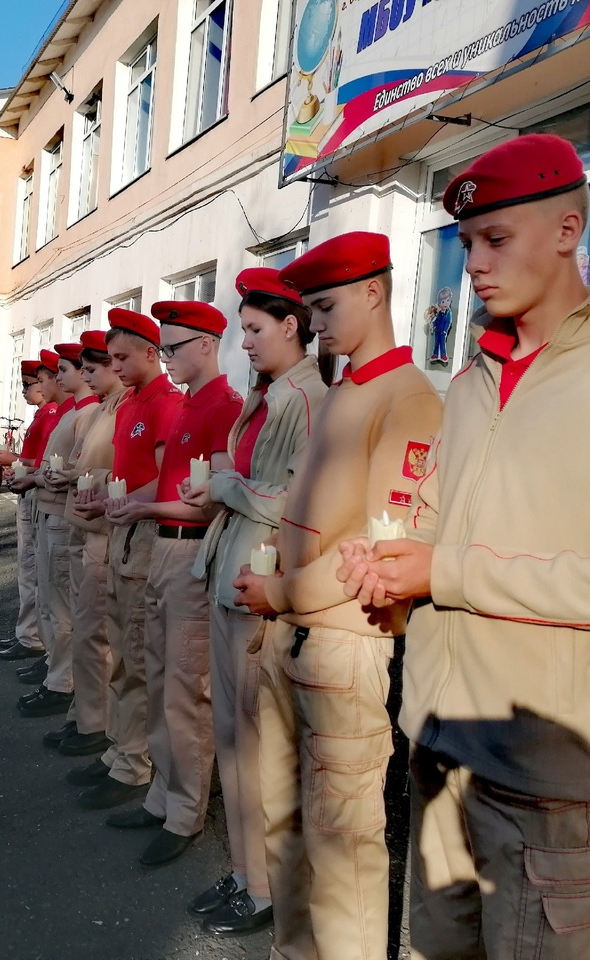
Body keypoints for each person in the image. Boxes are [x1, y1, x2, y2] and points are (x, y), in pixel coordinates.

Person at [334, 135, 590, 960]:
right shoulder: (469, 384)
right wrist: (396, 572)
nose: (471, 262)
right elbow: (433, 526)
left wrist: (452, 572)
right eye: (466, 242)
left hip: (544, 782)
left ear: (569, 230)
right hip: (438, 750)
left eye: (494, 239)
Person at [231, 232, 443, 960]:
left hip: (345, 641)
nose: (315, 323)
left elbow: (380, 554)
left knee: (344, 852)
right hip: (293, 632)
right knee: (284, 829)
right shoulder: (347, 389)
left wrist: (278, 590)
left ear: (374, 293)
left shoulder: (410, 399)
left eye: (325, 306)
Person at [180, 268, 329, 936]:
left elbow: (292, 502)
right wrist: (227, 487)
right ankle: (245, 874)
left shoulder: (307, 399)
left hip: (258, 583)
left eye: (255, 330)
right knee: (235, 736)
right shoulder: (266, 394)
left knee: (256, 741)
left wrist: (225, 483)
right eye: (242, 331)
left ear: (291, 325)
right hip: (228, 574)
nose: (245, 343)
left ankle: (265, 886)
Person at [99, 301, 243, 868]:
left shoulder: (223, 406)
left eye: (174, 348)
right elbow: (172, 486)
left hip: (189, 555)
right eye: (163, 349)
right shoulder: (188, 407)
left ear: (206, 345)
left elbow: (216, 500)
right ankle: (162, 793)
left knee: (184, 689)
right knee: (157, 676)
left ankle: (185, 809)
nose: (168, 359)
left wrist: (140, 509)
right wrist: (129, 503)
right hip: (162, 546)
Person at [70, 309, 183, 812]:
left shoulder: (165, 403)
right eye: (109, 358)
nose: (114, 367)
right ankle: (120, 749)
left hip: (144, 535)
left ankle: (136, 762)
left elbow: (168, 480)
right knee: (119, 647)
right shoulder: (131, 403)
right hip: (121, 531)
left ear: (150, 354)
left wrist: (120, 504)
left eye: (121, 357)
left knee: (135, 654)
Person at [18, 343, 98, 721]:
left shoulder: (87, 413)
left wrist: (55, 475)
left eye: (64, 370)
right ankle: (55, 669)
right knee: (51, 601)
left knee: (62, 605)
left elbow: (81, 469)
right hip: (50, 509)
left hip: (63, 515)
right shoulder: (74, 412)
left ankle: (62, 680)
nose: (59, 376)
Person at [59, 330, 127, 758]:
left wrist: (87, 483)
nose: (88, 375)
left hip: (107, 531)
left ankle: (98, 724)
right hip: (88, 526)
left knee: (97, 635)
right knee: (86, 631)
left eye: (92, 368)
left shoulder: (121, 410)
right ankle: (87, 717)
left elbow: (124, 472)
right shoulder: (104, 409)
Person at [0, 352, 68, 665]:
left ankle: (34, 638)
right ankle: (31, 634)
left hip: (43, 498)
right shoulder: (48, 414)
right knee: (32, 571)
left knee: (38, 574)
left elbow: (45, 464)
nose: (29, 389)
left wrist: (13, 461)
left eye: (35, 382)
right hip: (33, 492)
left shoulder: (55, 413)